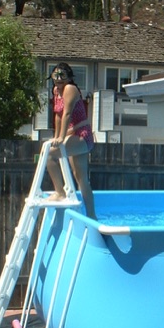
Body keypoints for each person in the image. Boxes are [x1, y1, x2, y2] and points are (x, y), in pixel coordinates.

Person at [45, 62, 96, 219]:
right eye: (56, 76)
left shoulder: (70, 89)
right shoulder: (56, 90)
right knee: (80, 178)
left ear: (69, 77)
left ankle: (59, 192)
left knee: (50, 155)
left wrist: (61, 138)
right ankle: (92, 216)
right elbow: (58, 115)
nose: (59, 79)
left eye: (62, 76)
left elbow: (67, 114)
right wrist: (57, 135)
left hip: (82, 134)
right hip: (72, 135)